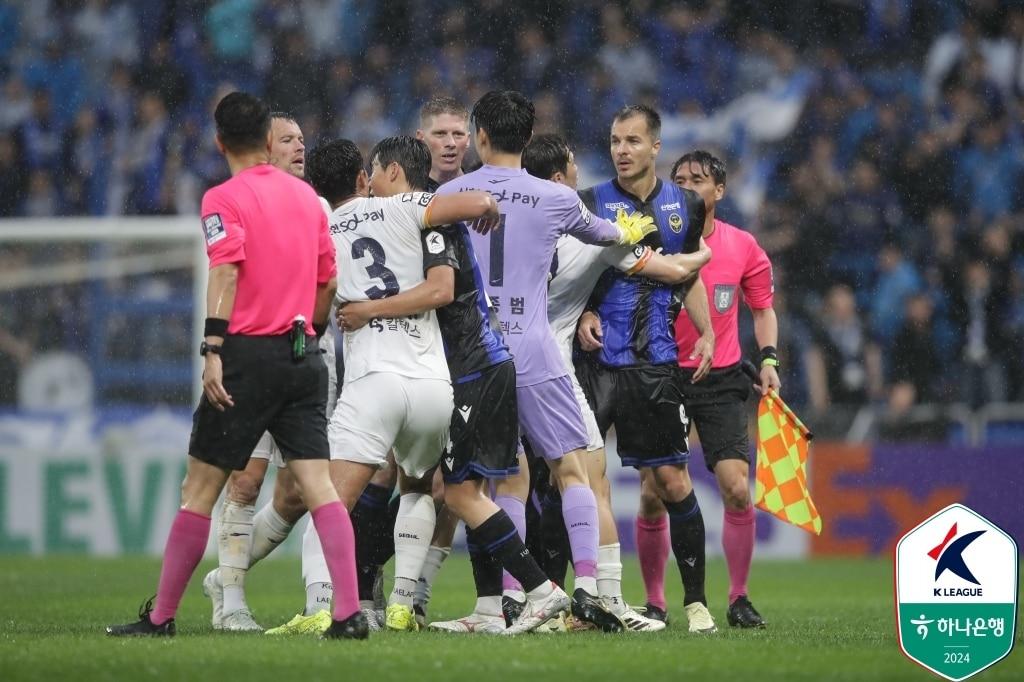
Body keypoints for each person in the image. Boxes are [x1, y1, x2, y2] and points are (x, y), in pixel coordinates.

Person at [106, 91, 367, 640]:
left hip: (245, 353)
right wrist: (310, 330)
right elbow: (329, 281)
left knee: (200, 491)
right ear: (269, 142)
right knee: (319, 487)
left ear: (219, 141)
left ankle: (161, 618)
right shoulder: (308, 200)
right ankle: (347, 615)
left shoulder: (223, 198)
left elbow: (224, 272)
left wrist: (212, 350)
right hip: (302, 355)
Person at [436, 90, 658, 633]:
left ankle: (513, 598)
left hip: (476, 353)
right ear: (529, 139)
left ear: (479, 136)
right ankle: (587, 590)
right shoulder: (556, 198)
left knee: (505, 478)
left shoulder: (451, 192)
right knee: (570, 468)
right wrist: (636, 229)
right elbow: (611, 236)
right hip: (535, 347)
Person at [337, 135, 570, 635]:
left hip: (475, 368)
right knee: (462, 489)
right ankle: (495, 604)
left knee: (461, 493)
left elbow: (441, 290)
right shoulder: (417, 221)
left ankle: (540, 590)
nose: (368, 184)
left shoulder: (430, 220)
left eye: (373, 173)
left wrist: (368, 311)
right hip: (473, 368)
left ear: (395, 172)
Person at [303, 136, 517, 633]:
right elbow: (476, 203)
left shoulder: (324, 224)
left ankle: (323, 610)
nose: (373, 180)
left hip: (373, 377)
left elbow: (321, 294)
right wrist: (485, 205)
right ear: (360, 179)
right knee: (421, 486)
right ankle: (403, 603)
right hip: (430, 383)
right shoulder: (410, 209)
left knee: (329, 499)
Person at [523, 133, 711, 632]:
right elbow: (670, 269)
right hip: (554, 368)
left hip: (494, 363)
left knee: (505, 484)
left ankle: (516, 601)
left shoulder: (505, 222)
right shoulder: (592, 231)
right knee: (588, 480)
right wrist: (701, 256)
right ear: (562, 179)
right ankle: (598, 597)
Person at [574, 105, 718, 634]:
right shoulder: (589, 202)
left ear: (656, 147)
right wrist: (585, 312)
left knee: (671, 480)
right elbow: (574, 274)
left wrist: (706, 332)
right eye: (615, 140)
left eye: (633, 141)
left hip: (656, 361)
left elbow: (689, 275)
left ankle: (696, 603)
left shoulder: (685, 206)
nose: (622, 150)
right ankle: (582, 600)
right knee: (574, 480)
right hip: (594, 362)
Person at [201, 111, 340, 633]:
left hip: (302, 362)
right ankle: (231, 598)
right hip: (252, 355)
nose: (300, 147)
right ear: (264, 146)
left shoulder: (315, 204)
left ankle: (225, 574)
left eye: (303, 138)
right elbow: (227, 274)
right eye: (288, 139)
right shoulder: (239, 199)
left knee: (300, 491)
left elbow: (329, 280)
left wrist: (315, 336)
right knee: (245, 480)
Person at [646, 149, 780, 628]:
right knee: (651, 493)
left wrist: (768, 360)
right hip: (662, 373)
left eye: (698, 180)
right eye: (678, 179)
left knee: (737, 488)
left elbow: (762, 309)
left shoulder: (743, 246)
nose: (686, 187)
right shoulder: (650, 238)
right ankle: (655, 603)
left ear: (719, 191)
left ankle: (739, 598)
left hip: (721, 378)